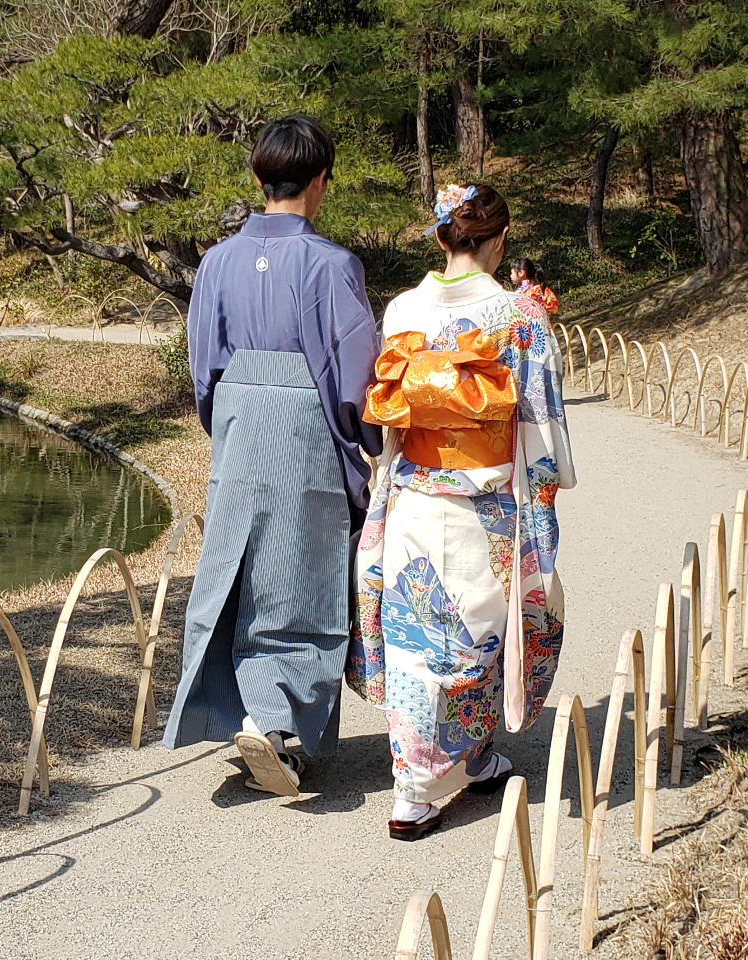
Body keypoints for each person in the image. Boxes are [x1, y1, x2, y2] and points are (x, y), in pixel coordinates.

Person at [163, 115, 383, 797]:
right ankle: (273, 719)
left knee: (238, 569)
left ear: (259, 179)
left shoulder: (218, 262)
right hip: (305, 427)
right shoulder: (331, 265)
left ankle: (252, 712)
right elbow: (355, 379)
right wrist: (365, 445)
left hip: (237, 426)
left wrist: (229, 421)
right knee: (307, 574)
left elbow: (204, 370)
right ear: (320, 181)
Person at [347, 183, 576, 839]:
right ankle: (414, 789)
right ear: (499, 238)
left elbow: (388, 420)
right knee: (473, 632)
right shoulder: (519, 317)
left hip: (417, 493)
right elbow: (540, 422)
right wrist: (542, 492)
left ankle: (470, 758)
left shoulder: (401, 310)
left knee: (423, 634)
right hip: (487, 502)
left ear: (443, 236)